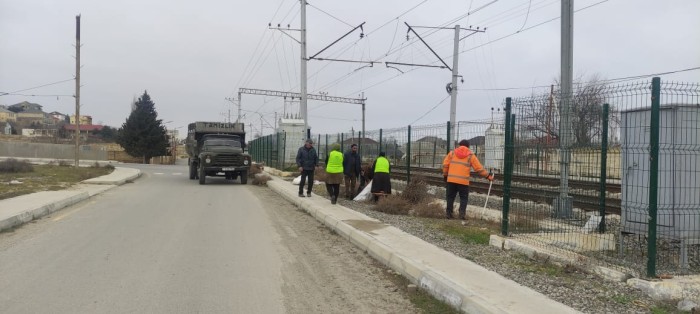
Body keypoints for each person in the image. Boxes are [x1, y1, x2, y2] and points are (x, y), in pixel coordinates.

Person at [442, 139, 494, 220]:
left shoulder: (452, 153)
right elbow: (479, 169)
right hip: (463, 182)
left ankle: (449, 214)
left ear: (459, 145)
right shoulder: (470, 155)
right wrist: (488, 176)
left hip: (451, 180)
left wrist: (445, 175)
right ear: (468, 146)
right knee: (463, 198)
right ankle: (461, 215)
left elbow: (445, 165)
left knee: (450, 197)